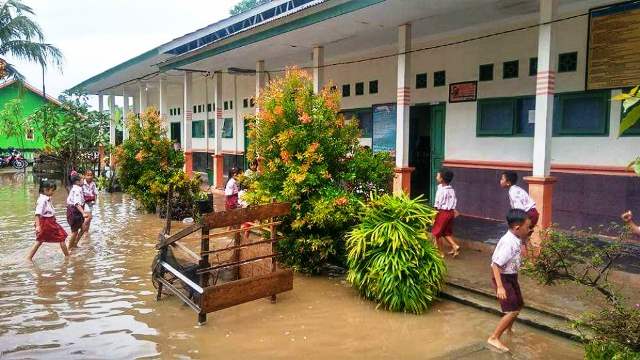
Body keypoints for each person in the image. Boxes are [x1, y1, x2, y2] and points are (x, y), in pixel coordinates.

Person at [487, 208, 531, 353]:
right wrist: (500, 287)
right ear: (517, 227)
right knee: (511, 310)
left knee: (519, 305)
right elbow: (495, 265)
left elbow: (523, 255)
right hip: (502, 277)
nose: (529, 230)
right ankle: (494, 337)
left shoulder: (517, 238)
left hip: (511, 276)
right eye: (527, 227)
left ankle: (508, 328)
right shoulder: (508, 242)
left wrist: (526, 240)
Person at [27, 179, 69, 260]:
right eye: (52, 190)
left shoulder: (46, 198)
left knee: (40, 240)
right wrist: (38, 226)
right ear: (46, 190)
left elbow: (46, 212)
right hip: (47, 223)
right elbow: (37, 213)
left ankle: (29, 258)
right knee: (61, 237)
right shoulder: (42, 200)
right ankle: (67, 256)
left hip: (50, 222)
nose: (53, 192)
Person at [431, 168, 460, 257]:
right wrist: (454, 210)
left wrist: (433, 216)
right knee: (446, 232)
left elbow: (437, 204)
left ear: (441, 179)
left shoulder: (441, 191)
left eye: (438, 176)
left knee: (437, 233)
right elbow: (454, 200)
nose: (436, 177)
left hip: (442, 213)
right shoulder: (451, 189)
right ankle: (455, 246)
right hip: (450, 213)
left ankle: (440, 253)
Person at [67, 174, 88, 249]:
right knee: (75, 231)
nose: (84, 181)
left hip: (76, 212)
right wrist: (83, 213)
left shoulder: (78, 188)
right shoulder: (77, 190)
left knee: (83, 228)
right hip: (74, 212)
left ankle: (74, 244)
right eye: (82, 179)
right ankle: (69, 248)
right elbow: (77, 203)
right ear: (77, 182)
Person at [81, 169, 97, 235]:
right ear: (84, 176)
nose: (89, 177)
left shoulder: (93, 184)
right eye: (88, 175)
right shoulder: (82, 183)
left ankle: (86, 232)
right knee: (89, 217)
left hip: (91, 202)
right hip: (84, 203)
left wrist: (95, 201)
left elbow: (95, 193)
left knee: (89, 219)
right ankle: (81, 228)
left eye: (91, 175)